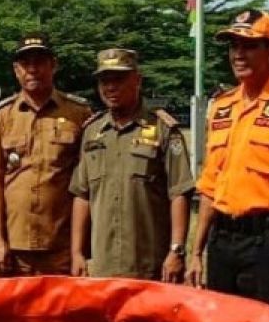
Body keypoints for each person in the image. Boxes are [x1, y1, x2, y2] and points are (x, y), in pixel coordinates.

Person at [186, 10, 269, 312]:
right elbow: (211, 184)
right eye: (233, 46)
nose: (238, 54)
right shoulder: (222, 107)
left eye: (249, 46)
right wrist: (196, 252)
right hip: (223, 242)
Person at [70, 48, 193, 281]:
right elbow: (81, 194)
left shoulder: (163, 128)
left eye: (119, 78)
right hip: (102, 265)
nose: (111, 87)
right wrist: (77, 252)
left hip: (150, 265)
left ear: (137, 80)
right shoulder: (92, 132)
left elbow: (179, 193)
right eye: (104, 80)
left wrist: (176, 250)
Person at [0, 32, 92, 276]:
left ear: (53, 65)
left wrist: (80, 249)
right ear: (16, 70)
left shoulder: (79, 112)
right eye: (25, 63)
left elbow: (85, 185)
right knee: (14, 313)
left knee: (61, 313)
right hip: (15, 246)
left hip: (61, 245)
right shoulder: (0, 116)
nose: (32, 69)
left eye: (40, 62)